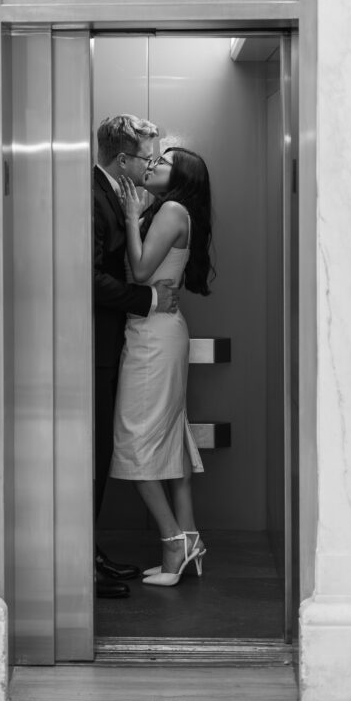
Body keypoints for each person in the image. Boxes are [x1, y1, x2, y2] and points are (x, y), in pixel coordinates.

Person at [110, 146, 214, 587]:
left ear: (181, 178)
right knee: (167, 435)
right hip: (159, 330)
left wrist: (133, 216)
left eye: (164, 161)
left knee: (137, 438)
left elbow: (139, 271)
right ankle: (189, 537)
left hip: (154, 336)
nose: (153, 162)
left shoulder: (171, 209)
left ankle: (174, 541)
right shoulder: (173, 210)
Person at [93, 115, 180, 599]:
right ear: (122, 160)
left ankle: (87, 553)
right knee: (102, 452)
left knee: (109, 449)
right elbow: (89, 276)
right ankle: (82, 557)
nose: (150, 165)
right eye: (146, 157)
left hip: (125, 340)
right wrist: (145, 300)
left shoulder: (133, 199)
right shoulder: (94, 194)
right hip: (106, 341)